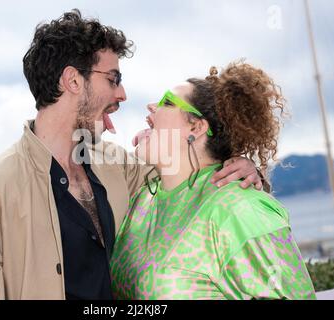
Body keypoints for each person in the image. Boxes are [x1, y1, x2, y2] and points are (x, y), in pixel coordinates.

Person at [0, 10, 261, 300]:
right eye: (112, 79)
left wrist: (241, 164)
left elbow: (192, 172)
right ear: (73, 80)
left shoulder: (119, 165)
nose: (123, 94)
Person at [110, 62, 316, 300]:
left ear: (196, 127)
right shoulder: (142, 201)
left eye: (167, 102)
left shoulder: (239, 210)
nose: (151, 107)